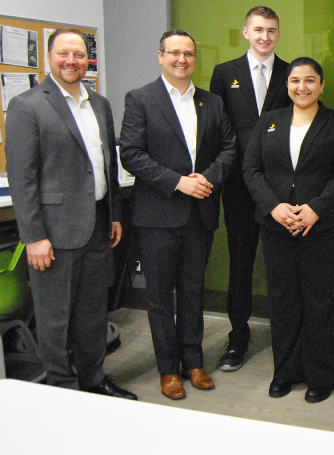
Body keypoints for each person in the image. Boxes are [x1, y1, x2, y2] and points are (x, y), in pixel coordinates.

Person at [4, 28, 136, 400]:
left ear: (87, 60)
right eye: (64, 53)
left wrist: (114, 213)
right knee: (55, 319)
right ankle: (62, 391)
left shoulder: (99, 104)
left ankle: (94, 380)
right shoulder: (27, 105)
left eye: (79, 54)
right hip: (54, 232)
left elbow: (106, 165)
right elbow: (22, 178)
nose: (71, 61)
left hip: (97, 225)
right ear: (50, 57)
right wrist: (34, 237)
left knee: (93, 314)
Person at [119, 29, 236, 400]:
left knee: (192, 292)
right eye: (174, 52)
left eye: (188, 53)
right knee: (159, 297)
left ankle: (193, 362)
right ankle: (168, 369)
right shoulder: (140, 99)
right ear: (160, 56)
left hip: (200, 214)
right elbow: (131, 154)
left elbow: (229, 149)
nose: (182, 59)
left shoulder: (212, 102)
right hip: (157, 215)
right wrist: (178, 183)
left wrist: (207, 178)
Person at [243, 57, 334, 404]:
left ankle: (322, 376)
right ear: (287, 85)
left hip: (324, 230)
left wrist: (315, 209)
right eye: (295, 80)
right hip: (277, 228)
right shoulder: (269, 121)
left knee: (323, 303)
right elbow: (251, 170)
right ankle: (286, 372)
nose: (302, 87)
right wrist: (274, 207)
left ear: (321, 86)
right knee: (284, 303)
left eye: (310, 80)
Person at [210, 6, 292, 372]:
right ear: (246, 32)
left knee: (282, 267)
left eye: (271, 30)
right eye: (258, 30)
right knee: (240, 264)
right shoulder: (224, 73)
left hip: (280, 189)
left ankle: (287, 341)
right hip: (239, 188)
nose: (264, 37)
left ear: (278, 34)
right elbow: (216, 129)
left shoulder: (291, 73)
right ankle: (237, 338)